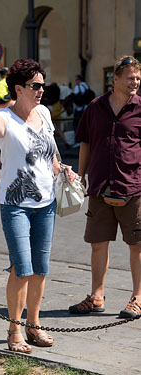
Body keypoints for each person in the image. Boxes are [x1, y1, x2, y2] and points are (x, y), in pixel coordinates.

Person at [0, 58, 76, 353]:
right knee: (21, 268)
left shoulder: (44, 112)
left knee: (40, 269)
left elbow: (50, 152)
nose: (42, 90)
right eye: (36, 85)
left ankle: (34, 325)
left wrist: (61, 168)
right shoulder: (6, 117)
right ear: (18, 89)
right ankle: (14, 330)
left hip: (46, 202)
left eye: (43, 84)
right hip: (16, 203)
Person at [69, 55, 141, 319]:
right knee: (98, 243)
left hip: (133, 186)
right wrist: (82, 174)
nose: (135, 82)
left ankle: (137, 297)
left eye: (138, 79)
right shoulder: (95, 107)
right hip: (100, 186)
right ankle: (97, 296)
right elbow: (85, 142)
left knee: (138, 244)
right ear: (116, 79)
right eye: (130, 78)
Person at [72, 74, 89, 147]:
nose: (76, 81)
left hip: (79, 108)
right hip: (86, 107)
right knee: (85, 124)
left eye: (76, 80)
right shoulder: (86, 86)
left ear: (79, 80)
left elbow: (75, 95)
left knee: (77, 124)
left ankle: (78, 140)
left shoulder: (78, 87)